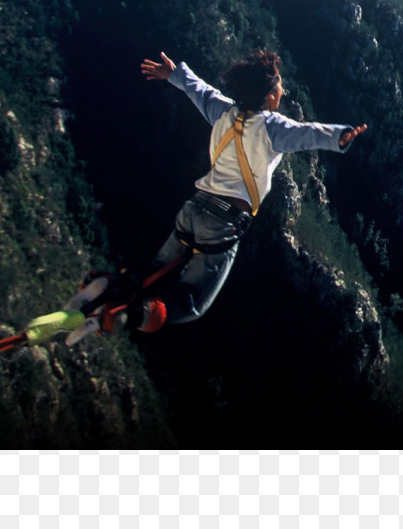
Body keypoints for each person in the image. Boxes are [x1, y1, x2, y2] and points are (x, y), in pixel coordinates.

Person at [64, 49, 366, 344]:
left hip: (193, 209)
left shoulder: (224, 110)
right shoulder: (272, 128)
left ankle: (108, 286)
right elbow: (305, 133)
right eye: (280, 88)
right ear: (270, 95)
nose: (282, 91)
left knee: (152, 272)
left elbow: (201, 91)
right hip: (222, 223)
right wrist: (339, 136)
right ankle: (125, 316)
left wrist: (175, 75)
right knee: (191, 302)